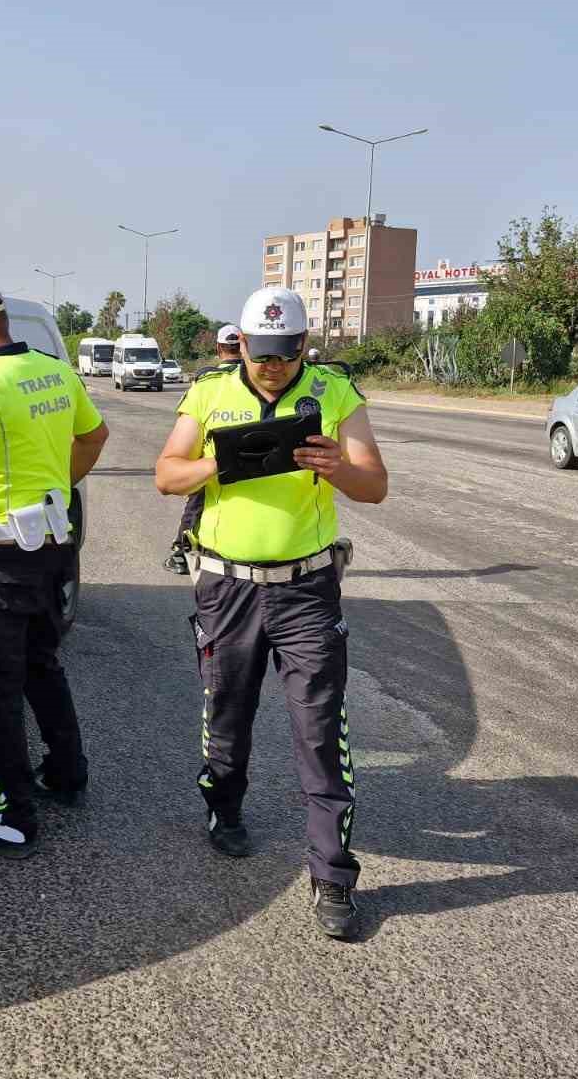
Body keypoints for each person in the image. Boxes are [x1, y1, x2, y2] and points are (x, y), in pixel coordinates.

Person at [153, 286, 388, 938]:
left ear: (304, 346)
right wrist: (220, 461)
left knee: (320, 727)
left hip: (306, 590)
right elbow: (165, 474)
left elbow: (376, 485)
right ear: (244, 346)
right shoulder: (208, 394)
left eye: (285, 355)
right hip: (226, 589)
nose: (272, 366)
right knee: (226, 708)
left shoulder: (335, 394)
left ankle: (333, 876)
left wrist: (338, 466)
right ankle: (223, 809)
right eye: (261, 355)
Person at [0, 280, 110, 857]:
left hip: (1, 556)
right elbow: (95, 435)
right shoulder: (52, 370)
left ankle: (10, 816)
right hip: (54, 544)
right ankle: (66, 771)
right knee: (41, 663)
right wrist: (55, 482)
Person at [164, 325, 245, 575]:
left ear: (219, 348)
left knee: (197, 502)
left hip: (212, 455)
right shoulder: (253, 377)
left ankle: (181, 551)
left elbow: (187, 416)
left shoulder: (206, 378)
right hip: (251, 451)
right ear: (242, 347)